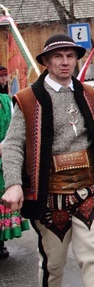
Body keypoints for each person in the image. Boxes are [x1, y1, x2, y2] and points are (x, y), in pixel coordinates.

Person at [0, 33, 94, 285]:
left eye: (70, 56)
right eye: (58, 57)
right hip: (50, 195)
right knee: (53, 264)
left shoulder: (88, 94)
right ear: (46, 62)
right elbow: (14, 143)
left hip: (89, 191)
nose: (65, 62)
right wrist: (13, 183)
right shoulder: (28, 99)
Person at [0, 89, 29, 259]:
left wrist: (4, 147)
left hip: (3, 156)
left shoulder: (6, 100)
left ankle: (1, 241)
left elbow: (14, 130)